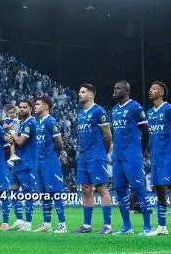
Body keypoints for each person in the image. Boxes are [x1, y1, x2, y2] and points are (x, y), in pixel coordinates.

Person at [111, 80, 153, 235]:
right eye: (114, 88)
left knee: (139, 190)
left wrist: (142, 149)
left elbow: (146, 130)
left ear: (126, 91)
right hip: (117, 157)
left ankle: (147, 227)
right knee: (120, 191)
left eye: (117, 88)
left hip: (132, 156)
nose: (114, 90)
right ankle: (126, 227)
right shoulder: (114, 110)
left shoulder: (135, 107)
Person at [147, 81, 171, 236]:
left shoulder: (169, 109)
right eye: (150, 88)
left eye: (154, 89)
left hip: (168, 155)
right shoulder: (150, 112)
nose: (151, 90)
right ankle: (162, 227)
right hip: (155, 156)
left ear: (162, 93)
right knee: (159, 190)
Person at [73, 83, 113, 234]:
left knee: (101, 187)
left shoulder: (99, 111)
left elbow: (107, 135)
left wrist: (103, 152)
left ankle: (107, 226)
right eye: (79, 92)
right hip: (83, 157)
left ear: (91, 94)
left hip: (96, 156)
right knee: (86, 189)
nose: (80, 94)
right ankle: (87, 225)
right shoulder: (81, 113)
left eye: (83, 92)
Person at [33, 94, 68, 233]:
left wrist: (55, 155)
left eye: (38, 104)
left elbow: (59, 142)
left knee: (55, 192)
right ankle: (47, 224)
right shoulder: (38, 123)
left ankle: (62, 224)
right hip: (39, 163)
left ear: (46, 106)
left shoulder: (50, 121)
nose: (35, 106)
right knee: (44, 194)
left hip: (50, 162)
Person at [6, 99, 37, 231]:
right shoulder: (21, 123)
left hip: (27, 163)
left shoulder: (31, 123)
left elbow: (20, 142)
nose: (21, 109)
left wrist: (12, 133)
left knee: (27, 193)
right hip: (17, 163)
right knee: (13, 192)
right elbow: (14, 141)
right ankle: (19, 220)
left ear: (30, 109)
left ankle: (28, 223)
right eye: (20, 107)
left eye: (25, 107)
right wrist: (9, 138)